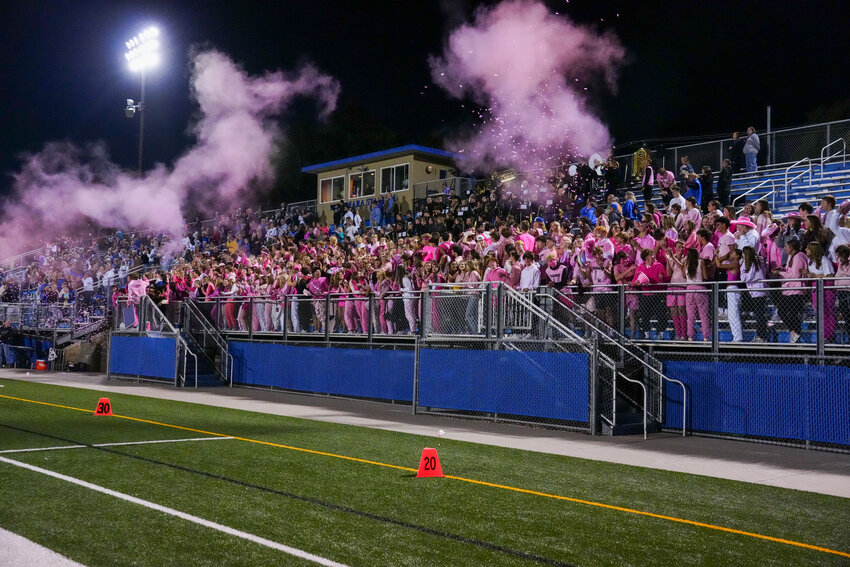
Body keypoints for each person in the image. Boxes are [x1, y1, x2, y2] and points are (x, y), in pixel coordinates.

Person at [776, 236, 808, 343]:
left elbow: (795, 275)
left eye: (787, 247)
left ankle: (795, 334)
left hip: (796, 290)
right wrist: (782, 269)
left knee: (791, 313)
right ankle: (793, 333)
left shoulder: (798, 257)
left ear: (792, 247)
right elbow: (790, 271)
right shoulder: (791, 256)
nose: (785, 249)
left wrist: (780, 273)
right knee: (783, 311)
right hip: (789, 289)